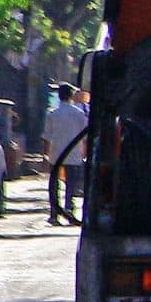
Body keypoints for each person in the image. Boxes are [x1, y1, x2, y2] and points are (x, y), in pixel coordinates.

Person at [44, 83, 90, 225]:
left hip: (55, 154)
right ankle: (69, 209)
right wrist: (84, 153)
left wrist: (44, 155)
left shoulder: (52, 114)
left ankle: (54, 214)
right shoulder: (79, 114)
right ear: (71, 96)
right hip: (74, 154)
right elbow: (85, 136)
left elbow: (46, 137)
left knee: (54, 185)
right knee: (71, 183)